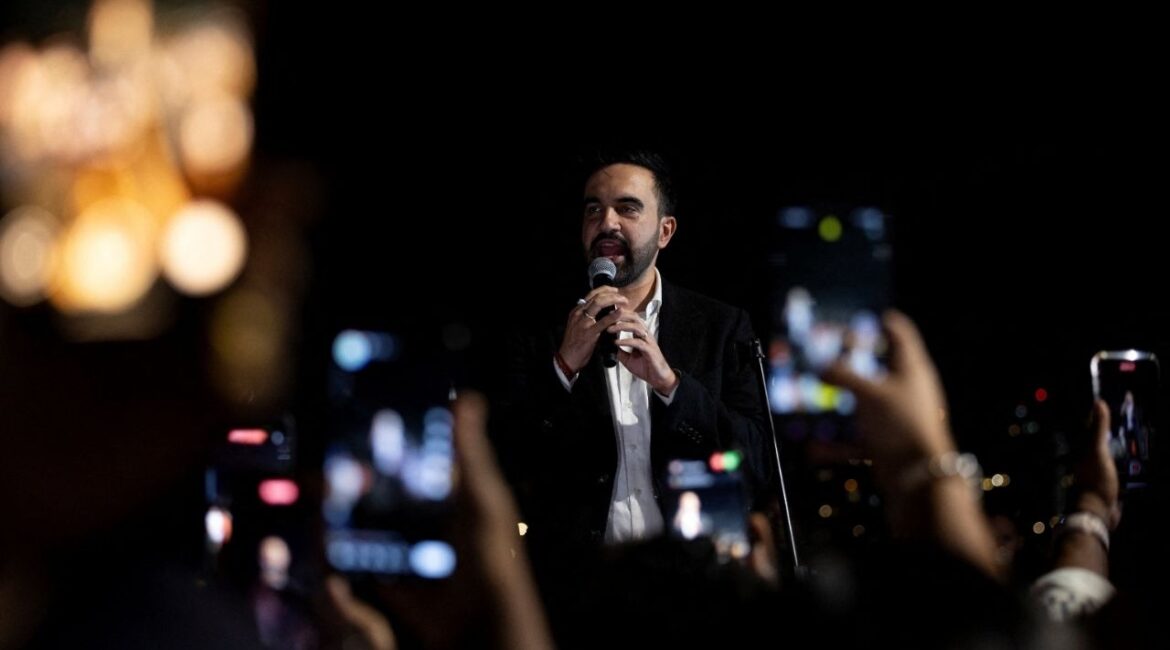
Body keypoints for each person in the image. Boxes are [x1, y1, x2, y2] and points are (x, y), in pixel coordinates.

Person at [494, 149, 773, 633]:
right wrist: (564, 366)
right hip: (575, 598)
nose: (607, 223)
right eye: (592, 209)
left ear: (665, 231)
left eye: (627, 207)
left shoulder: (721, 327)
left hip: (696, 594)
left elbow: (757, 461)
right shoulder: (538, 331)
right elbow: (507, 461)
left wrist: (670, 384)